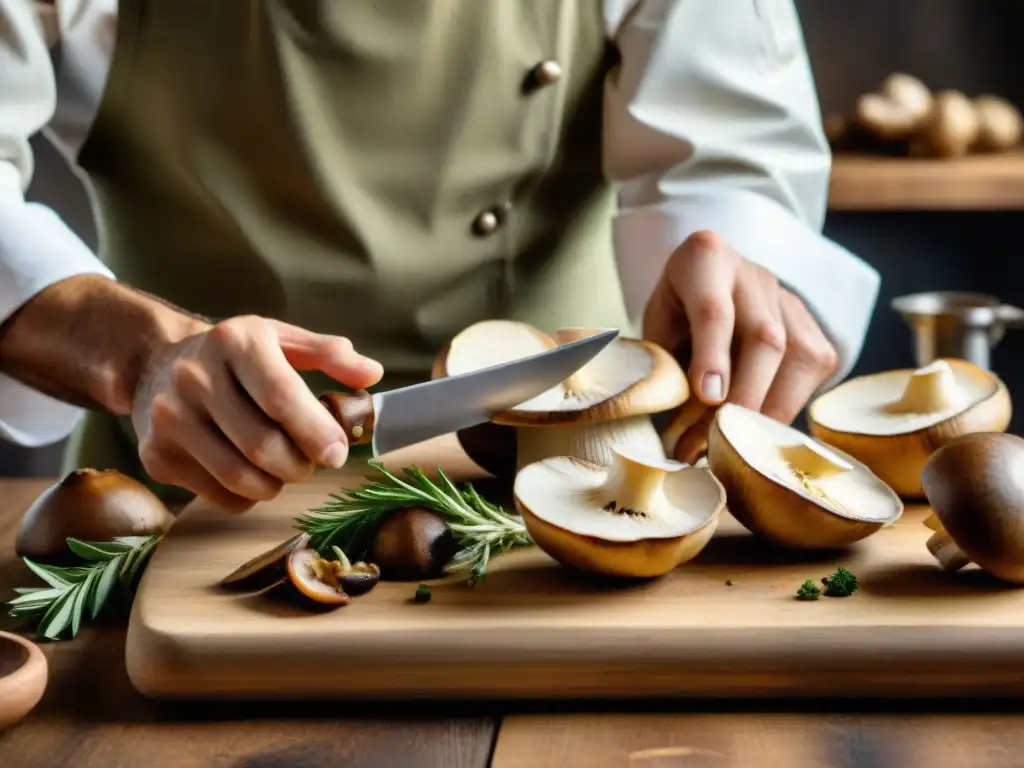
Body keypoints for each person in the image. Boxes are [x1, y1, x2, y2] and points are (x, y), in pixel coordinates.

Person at [0, 0, 879, 512]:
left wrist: (735, 276)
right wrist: (141, 355)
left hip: (583, 489)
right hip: (186, 501)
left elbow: (733, 152)